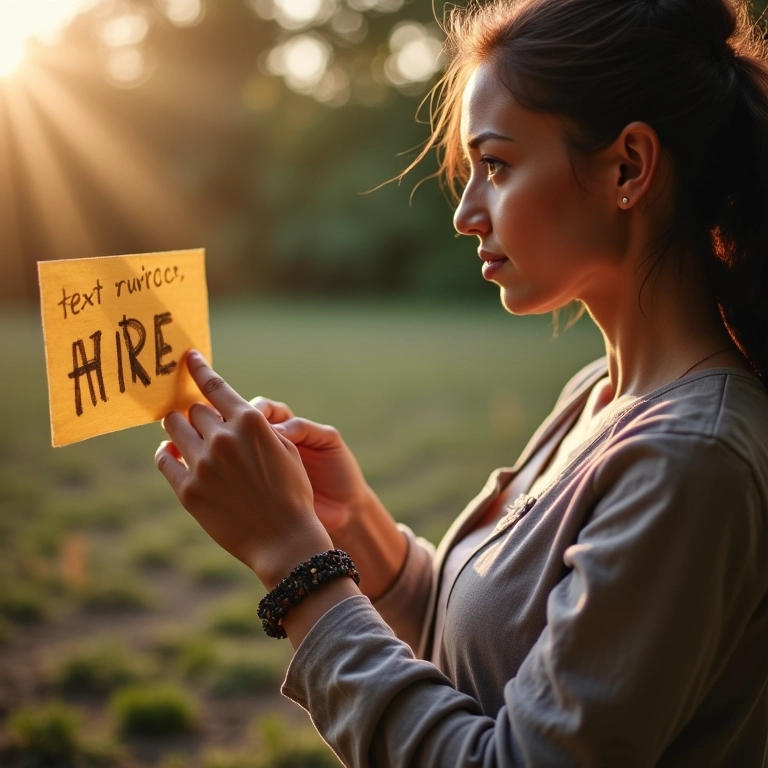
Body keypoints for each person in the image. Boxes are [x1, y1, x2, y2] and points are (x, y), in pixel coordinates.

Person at [155, 0, 768, 764]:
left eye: (498, 165)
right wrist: (355, 530)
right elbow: (489, 654)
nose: (466, 212)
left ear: (628, 167)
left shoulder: (693, 459)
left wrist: (298, 566)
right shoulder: (600, 393)